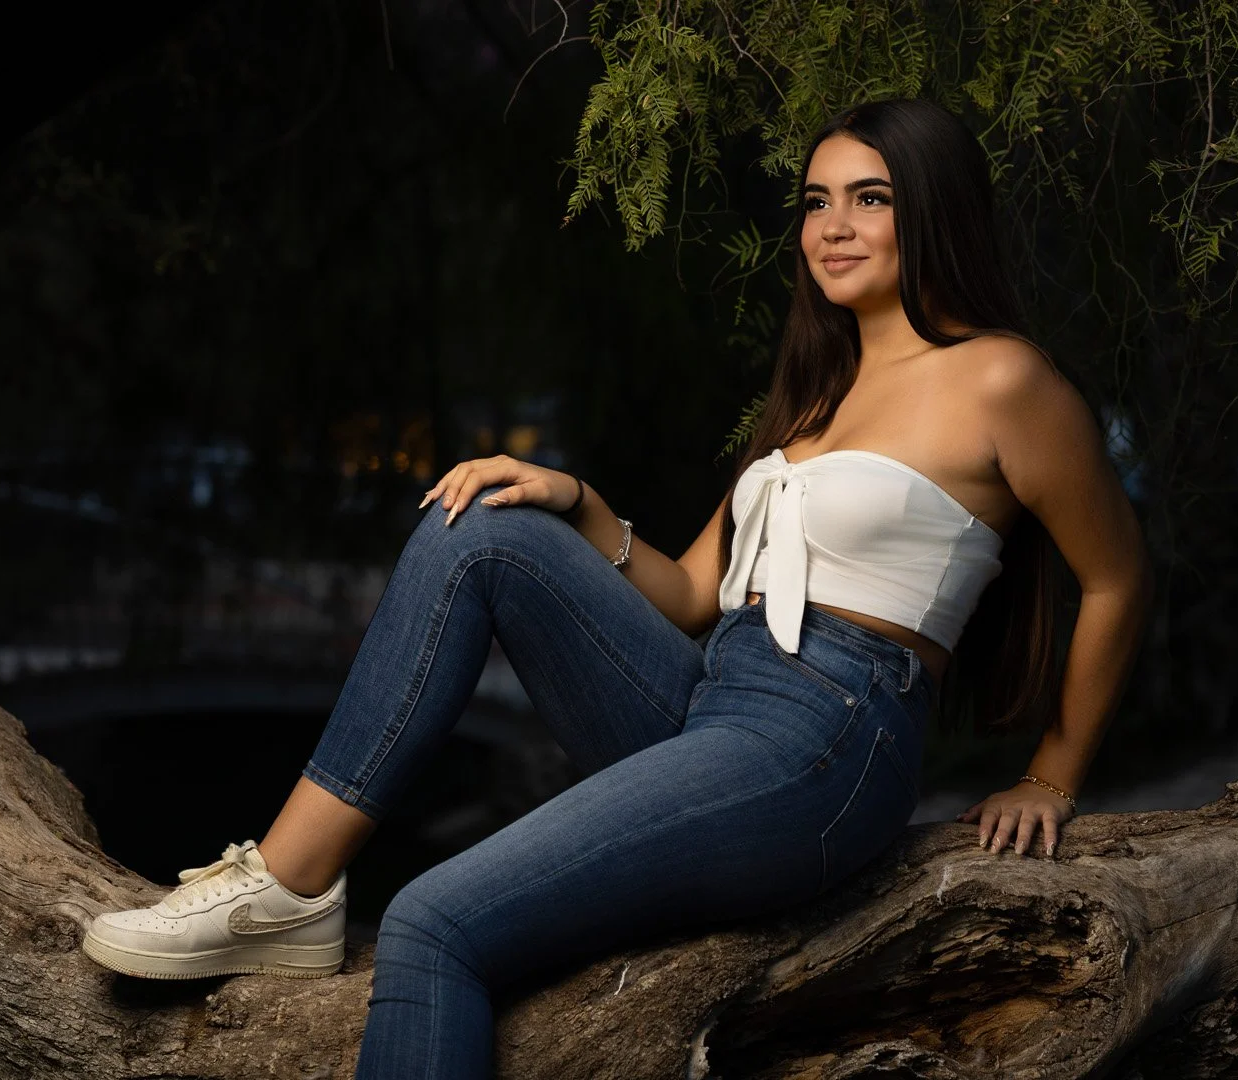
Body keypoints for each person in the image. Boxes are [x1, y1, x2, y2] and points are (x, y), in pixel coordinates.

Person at [79, 97, 1154, 1078]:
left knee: (433, 922)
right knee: (481, 532)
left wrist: (1052, 776)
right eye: (817, 201)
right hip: (713, 701)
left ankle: (296, 900)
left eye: (869, 200)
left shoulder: (1002, 378)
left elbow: (1114, 576)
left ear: (933, 213)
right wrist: (574, 498)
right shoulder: (820, 394)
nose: (832, 226)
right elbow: (693, 593)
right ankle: (287, 882)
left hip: (828, 738)